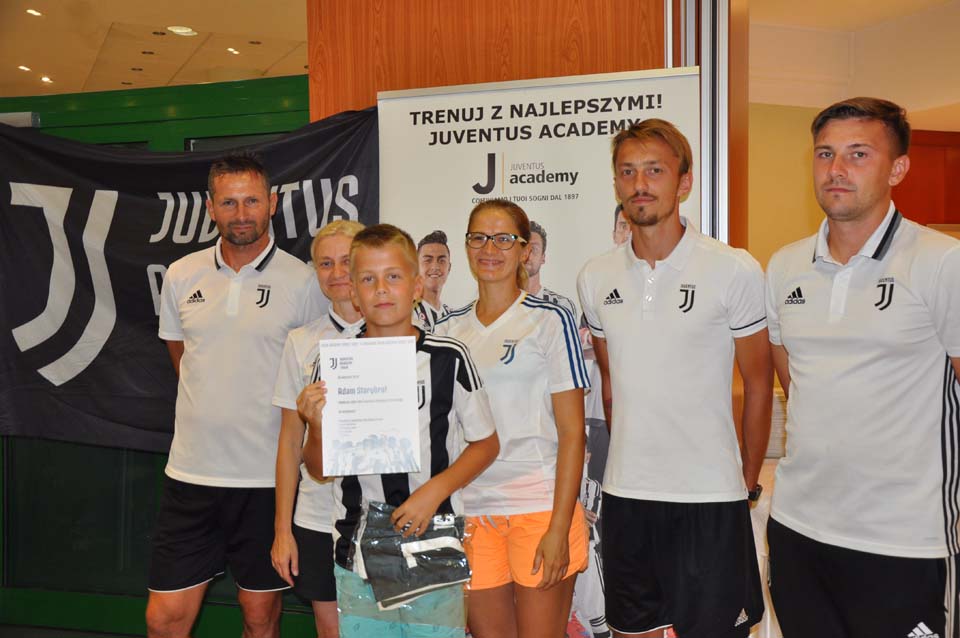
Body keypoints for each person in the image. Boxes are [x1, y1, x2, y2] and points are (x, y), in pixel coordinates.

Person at [764, 97, 960, 638]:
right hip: (799, 529)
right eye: (825, 153)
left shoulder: (941, 261)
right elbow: (794, 381)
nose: (836, 169)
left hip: (904, 540)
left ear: (898, 168)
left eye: (858, 154)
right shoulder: (784, 266)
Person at [577, 119, 772, 638]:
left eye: (654, 171)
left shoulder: (733, 269)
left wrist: (746, 480)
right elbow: (611, 385)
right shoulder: (595, 276)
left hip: (711, 498)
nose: (639, 184)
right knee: (630, 631)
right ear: (616, 183)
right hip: (627, 495)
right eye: (627, 172)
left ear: (684, 182)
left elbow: (758, 383)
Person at [148, 153, 325, 638]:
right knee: (163, 620)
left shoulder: (303, 281)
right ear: (210, 208)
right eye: (229, 202)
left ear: (272, 203)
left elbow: (311, 376)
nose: (241, 213)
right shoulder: (181, 274)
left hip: (266, 482)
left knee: (259, 617)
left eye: (252, 201)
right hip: (190, 477)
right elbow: (182, 357)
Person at [298, 224, 500, 638]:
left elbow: (486, 444)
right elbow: (318, 469)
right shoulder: (335, 363)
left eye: (393, 276)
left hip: (433, 539)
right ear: (354, 292)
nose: (381, 290)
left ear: (417, 286)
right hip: (358, 550)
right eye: (368, 279)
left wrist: (433, 491)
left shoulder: (448, 357)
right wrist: (316, 427)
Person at [436, 199, 590, 638]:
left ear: (525, 250)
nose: (490, 249)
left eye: (504, 239)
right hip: (473, 512)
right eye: (479, 238)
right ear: (467, 247)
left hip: (539, 507)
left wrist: (559, 526)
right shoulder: (447, 329)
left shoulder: (550, 320)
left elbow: (573, 434)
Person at [271, 220, 366, 638]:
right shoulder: (301, 341)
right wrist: (282, 530)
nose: (337, 272)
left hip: (381, 512)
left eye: (347, 260)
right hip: (317, 514)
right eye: (326, 263)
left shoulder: (402, 332)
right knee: (331, 630)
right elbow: (290, 441)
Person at [523, 219, 577, 317]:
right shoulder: (497, 304)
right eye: (523, 247)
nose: (528, 254)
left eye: (534, 249)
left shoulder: (562, 306)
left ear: (543, 258)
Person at [414, 230, 452, 331]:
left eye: (441, 261)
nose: (435, 267)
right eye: (428, 260)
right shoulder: (404, 314)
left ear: (449, 268)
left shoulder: (453, 317)